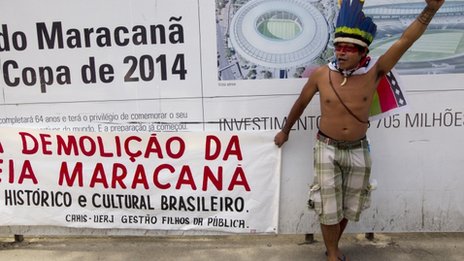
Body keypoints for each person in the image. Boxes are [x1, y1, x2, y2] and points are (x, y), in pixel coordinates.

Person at [274, 0, 445, 260]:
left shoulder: (374, 71)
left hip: (358, 148)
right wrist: (285, 131)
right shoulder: (321, 74)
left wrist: (430, 10)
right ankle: (332, 252)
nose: (341, 53)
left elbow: (404, 42)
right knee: (327, 205)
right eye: (338, 47)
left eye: (347, 49)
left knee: (349, 206)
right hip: (326, 148)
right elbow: (300, 103)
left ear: (362, 53)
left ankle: (333, 245)